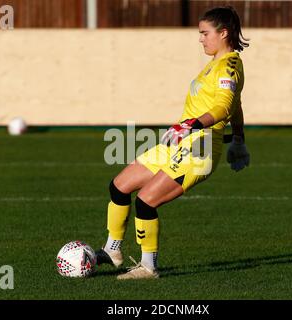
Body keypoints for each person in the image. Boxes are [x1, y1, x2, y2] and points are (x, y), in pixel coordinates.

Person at [96, 6, 250, 280]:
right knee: (119, 186)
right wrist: (238, 140)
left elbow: (224, 107)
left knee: (145, 202)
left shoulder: (229, 65)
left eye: (205, 33)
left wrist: (192, 125)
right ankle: (112, 250)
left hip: (198, 149)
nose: (201, 39)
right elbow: (235, 106)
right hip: (180, 143)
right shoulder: (214, 65)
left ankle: (148, 267)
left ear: (223, 32)